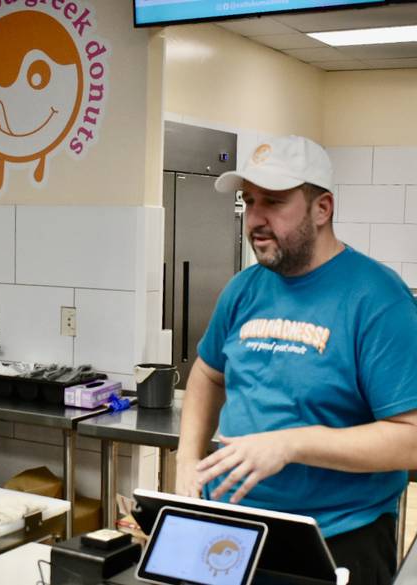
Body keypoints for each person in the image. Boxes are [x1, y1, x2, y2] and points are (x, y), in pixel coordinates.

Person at [175, 135, 417, 583]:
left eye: (274, 202)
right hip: (231, 525)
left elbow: (412, 439)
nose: (256, 219)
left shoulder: (379, 300)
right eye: (249, 202)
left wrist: (291, 444)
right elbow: (207, 376)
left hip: (335, 537)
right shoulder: (244, 289)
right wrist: (187, 461)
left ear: (322, 209)